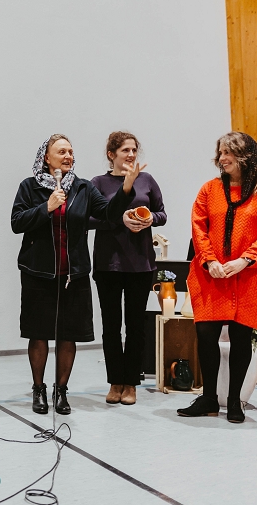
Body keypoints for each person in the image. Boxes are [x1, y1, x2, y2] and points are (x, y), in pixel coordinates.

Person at [11, 134, 142, 415]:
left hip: (74, 274)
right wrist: (46, 207)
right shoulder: (29, 186)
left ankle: (61, 391)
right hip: (38, 273)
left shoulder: (83, 188)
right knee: (39, 334)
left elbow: (108, 214)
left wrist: (126, 188)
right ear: (47, 158)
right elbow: (17, 222)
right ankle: (39, 389)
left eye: (70, 151)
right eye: (61, 152)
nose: (68, 156)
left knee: (67, 335)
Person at [178, 132, 257, 423]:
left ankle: (235, 402)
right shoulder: (209, 189)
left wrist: (245, 260)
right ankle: (209, 398)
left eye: (228, 152)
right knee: (206, 334)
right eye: (220, 152)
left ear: (245, 156)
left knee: (241, 337)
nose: (222, 158)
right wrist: (210, 261)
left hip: (250, 276)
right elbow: (199, 228)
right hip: (212, 275)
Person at [90, 132, 166, 405]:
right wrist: (119, 219)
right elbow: (89, 218)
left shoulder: (147, 180)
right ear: (111, 154)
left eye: (134, 150)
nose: (131, 155)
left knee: (135, 326)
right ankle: (115, 382)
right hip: (108, 264)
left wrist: (150, 219)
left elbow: (162, 214)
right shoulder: (98, 183)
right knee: (111, 327)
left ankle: (131, 383)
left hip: (140, 264)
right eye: (125, 150)